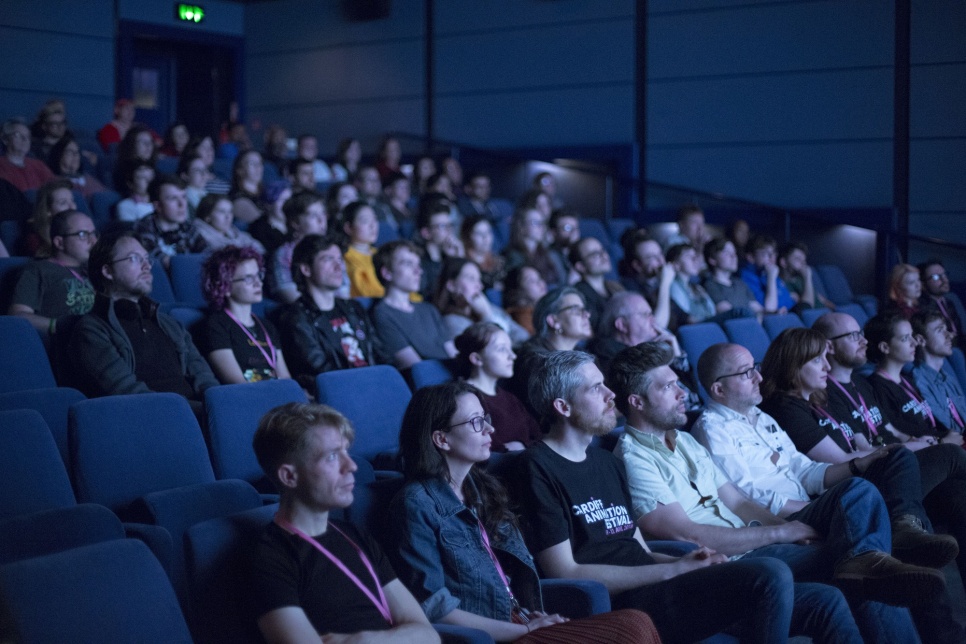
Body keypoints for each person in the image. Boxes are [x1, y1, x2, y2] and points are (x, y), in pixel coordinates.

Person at [609, 341, 924, 640]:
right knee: (861, 571)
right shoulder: (633, 459)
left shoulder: (685, 441)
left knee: (859, 496)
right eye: (668, 387)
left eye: (678, 382)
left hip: (754, 542)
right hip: (727, 563)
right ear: (636, 402)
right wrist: (782, 533)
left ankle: (875, 553)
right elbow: (686, 535)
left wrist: (790, 528)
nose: (684, 393)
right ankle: (875, 559)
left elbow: (738, 501)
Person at [513, 350, 799, 643]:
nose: (611, 394)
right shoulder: (536, 467)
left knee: (820, 601)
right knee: (770, 574)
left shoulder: (606, 463)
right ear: (563, 406)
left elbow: (642, 551)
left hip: (658, 582)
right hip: (628, 602)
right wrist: (672, 570)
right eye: (596, 388)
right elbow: (565, 571)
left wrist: (695, 560)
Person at [389, 381, 659, 642]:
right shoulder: (416, 504)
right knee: (632, 627)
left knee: (636, 621)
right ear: (442, 439)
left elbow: (507, 579)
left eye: (486, 418)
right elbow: (436, 607)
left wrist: (529, 617)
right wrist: (526, 630)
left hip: (520, 620)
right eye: (475, 422)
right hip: (493, 634)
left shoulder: (483, 489)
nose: (489, 429)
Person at [758, 327, 962, 571]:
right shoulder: (784, 407)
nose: (826, 366)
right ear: (792, 366)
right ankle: (903, 528)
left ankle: (906, 531)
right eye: (817, 360)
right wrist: (910, 446)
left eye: (825, 357)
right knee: (946, 455)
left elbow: (862, 442)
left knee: (957, 495)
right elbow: (837, 462)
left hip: (866, 477)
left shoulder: (818, 398)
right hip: (846, 489)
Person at [248, 402, 440, 643]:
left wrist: (362, 641)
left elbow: (429, 635)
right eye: (331, 457)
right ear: (289, 476)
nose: (351, 466)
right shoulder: (270, 557)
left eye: (346, 452)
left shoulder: (354, 535)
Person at [816, 311, 966, 610]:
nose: (863, 341)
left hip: (898, 465)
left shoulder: (861, 383)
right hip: (875, 478)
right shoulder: (826, 393)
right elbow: (862, 449)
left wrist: (917, 442)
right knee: (952, 456)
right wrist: (922, 445)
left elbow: (889, 432)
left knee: (958, 498)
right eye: (853, 336)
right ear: (829, 347)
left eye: (861, 334)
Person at [67, 231, 218, 411]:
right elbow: (127, 392)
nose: (147, 266)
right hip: (153, 420)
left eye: (147, 259)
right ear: (107, 271)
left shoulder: (170, 324)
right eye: (134, 258)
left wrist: (219, 407)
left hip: (198, 415)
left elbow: (204, 377)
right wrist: (196, 412)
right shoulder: (92, 330)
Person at [279, 235, 381, 388]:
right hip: (340, 392)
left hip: (372, 384)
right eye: (328, 259)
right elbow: (320, 370)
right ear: (306, 269)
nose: (338, 266)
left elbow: (379, 354)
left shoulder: (354, 308)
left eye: (339, 259)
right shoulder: (297, 318)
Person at [200, 246, 289, 384]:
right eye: (248, 278)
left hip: (278, 395)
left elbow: (285, 378)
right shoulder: (216, 325)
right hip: (250, 398)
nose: (258, 283)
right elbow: (236, 383)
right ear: (225, 287)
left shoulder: (266, 326)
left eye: (259, 275)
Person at [371, 241, 457, 370]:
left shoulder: (429, 309)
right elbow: (418, 369)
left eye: (418, 264)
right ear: (387, 273)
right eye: (408, 264)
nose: (418, 271)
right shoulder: (382, 314)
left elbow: (454, 355)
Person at [455, 323, 540, 452]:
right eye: (502, 349)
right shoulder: (464, 399)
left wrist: (523, 446)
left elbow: (539, 436)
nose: (513, 356)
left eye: (510, 349)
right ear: (477, 359)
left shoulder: (510, 398)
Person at [9, 209, 96, 336]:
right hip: (67, 343)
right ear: (59, 242)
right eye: (83, 234)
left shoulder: (94, 270)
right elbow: (17, 316)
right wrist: (58, 326)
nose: (93, 241)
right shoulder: (38, 270)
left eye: (94, 234)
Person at [588, 292, 689, 385]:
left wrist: (677, 358)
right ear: (622, 325)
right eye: (645, 314)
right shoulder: (606, 351)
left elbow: (690, 394)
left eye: (651, 314)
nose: (653, 319)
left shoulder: (654, 348)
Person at [435, 258, 528, 344]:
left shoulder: (488, 306)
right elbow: (496, 350)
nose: (479, 286)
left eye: (479, 280)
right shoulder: (452, 322)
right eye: (471, 278)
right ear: (451, 285)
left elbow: (523, 336)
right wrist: (486, 315)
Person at [133, 175, 207, 269]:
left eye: (184, 197)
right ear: (158, 206)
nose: (182, 204)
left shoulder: (188, 226)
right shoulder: (144, 227)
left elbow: (208, 255)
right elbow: (163, 263)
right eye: (173, 198)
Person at [267, 190, 327, 304]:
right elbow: (286, 291)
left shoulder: (331, 250)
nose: (322, 220)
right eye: (314, 215)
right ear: (295, 222)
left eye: (323, 213)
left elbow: (342, 288)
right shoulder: (284, 253)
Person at [911, 309, 966, 434]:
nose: (949, 335)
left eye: (946, 329)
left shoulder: (948, 377)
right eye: (940, 330)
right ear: (921, 340)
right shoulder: (919, 381)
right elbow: (947, 428)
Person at [617, 228, 674, 330]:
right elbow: (657, 326)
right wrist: (665, 284)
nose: (661, 261)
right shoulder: (628, 289)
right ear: (637, 265)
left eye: (660, 254)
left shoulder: (658, 282)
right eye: (652, 257)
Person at [502, 207, 566, 289]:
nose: (541, 227)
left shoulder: (547, 253)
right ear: (522, 227)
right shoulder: (512, 255)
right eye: (535, 223)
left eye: (542, 223)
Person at [702, 237, 764, 319]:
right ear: (712, 259)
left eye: (734, 252)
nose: (734, 256)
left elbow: (757, 308)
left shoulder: (740, 283)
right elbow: (731, 314)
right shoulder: (710, 285)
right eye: (727, 253)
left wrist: (775, 313)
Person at [570, 236, 623, 331]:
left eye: (603, 250)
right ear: (580, 266)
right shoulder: (579, 294)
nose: (604, 256)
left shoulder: (615, 286)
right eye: (595, 254)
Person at [416, 197, 464, 299]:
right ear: (426, 233)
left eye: (450, 225)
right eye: (442, 226)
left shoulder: (449, 256)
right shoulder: (419, 261)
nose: (449, 230)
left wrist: (458, 258)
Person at [19, 178, 76, 257]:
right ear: (48, 210)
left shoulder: (81, 231)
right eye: (63, 203)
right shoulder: (36, 240)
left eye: (72, 201)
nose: (72, 207)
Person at [740, 234, 795, 313]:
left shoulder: (768, 272)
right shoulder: (747, 277)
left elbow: (788, 303)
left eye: (773, 253)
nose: (772, 258)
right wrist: (771, 278)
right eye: (766, 254)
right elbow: (770, 309)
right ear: (751, 257)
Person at [191, 194, 264, 253]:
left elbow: (259, 248)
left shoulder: (233, 231)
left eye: (230, 211)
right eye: (222, 211)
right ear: (207, 216)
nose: (228, 216)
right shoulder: (200, 235)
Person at [918, 259, 966, 346]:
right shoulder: (922, 307)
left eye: (945, 275)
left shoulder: (950, 302)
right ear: (924, 284)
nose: (945, 280)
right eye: (936, 277)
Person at [341, 201, 383, 298]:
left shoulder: (379, 253)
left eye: (375, 219)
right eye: (365, 221)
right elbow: (368, 293)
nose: (373, 225)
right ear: (348, 228)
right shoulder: (346, 257)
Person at [0, 118, 55, 192]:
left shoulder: (38, 165)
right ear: (5, 139)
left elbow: (55, 186)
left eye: (28, 136)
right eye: (18, 135)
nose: (25, 139)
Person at [46, 135, 106, 199]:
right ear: (59, 155)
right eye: (70, 152)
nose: (75, 155)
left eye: (77, 152)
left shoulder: (87, 178)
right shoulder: (55, 182)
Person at [779, 242, 833, 310]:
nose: (803, 263)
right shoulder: (783, 285)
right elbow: (807, 307)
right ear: (783, 262)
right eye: (798, 259)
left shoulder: (800, 280)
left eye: (804, 260)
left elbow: (822, 300)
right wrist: (807, 277)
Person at [460, 215, 505, 290]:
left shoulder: (499, 262)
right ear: (468, 236)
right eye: (479, 233)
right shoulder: (464, 264)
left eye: (488, 232)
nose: (485, 237)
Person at [248, 180, 291, 256]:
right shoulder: (258, 229)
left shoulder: (295, 225)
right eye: (283, 201)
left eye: (289, 201)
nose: (288, 205)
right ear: (269, 204)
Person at [502, 265, 547, 336]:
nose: (540, 283)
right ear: (517, 290)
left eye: (539, 278)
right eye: (531, 281)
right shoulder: (522, 316)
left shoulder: (541, 308)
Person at [230, 149, 266, 224]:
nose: (258, 167)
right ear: (240, 170)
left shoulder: (267, 194)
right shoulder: (238, 199)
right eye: (252, 163)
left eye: (260, 163)